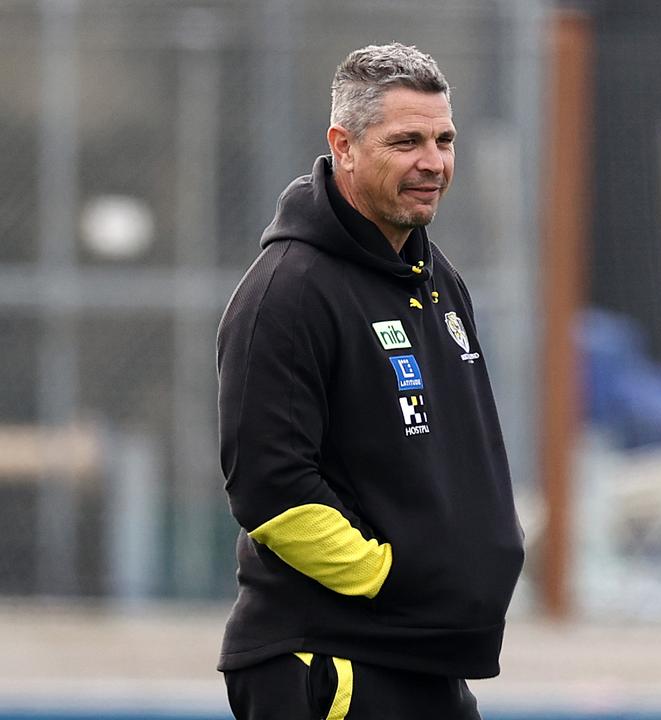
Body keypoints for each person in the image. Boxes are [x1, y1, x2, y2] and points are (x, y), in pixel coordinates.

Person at [216, 43, 524, 720]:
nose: (434, 163)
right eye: (407, 141)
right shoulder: (288, 292)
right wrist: (392, 576)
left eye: (444, 140)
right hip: (334, 661)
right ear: (344, 146)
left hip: (424, 659)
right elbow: (269, 487)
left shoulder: (438, 282)